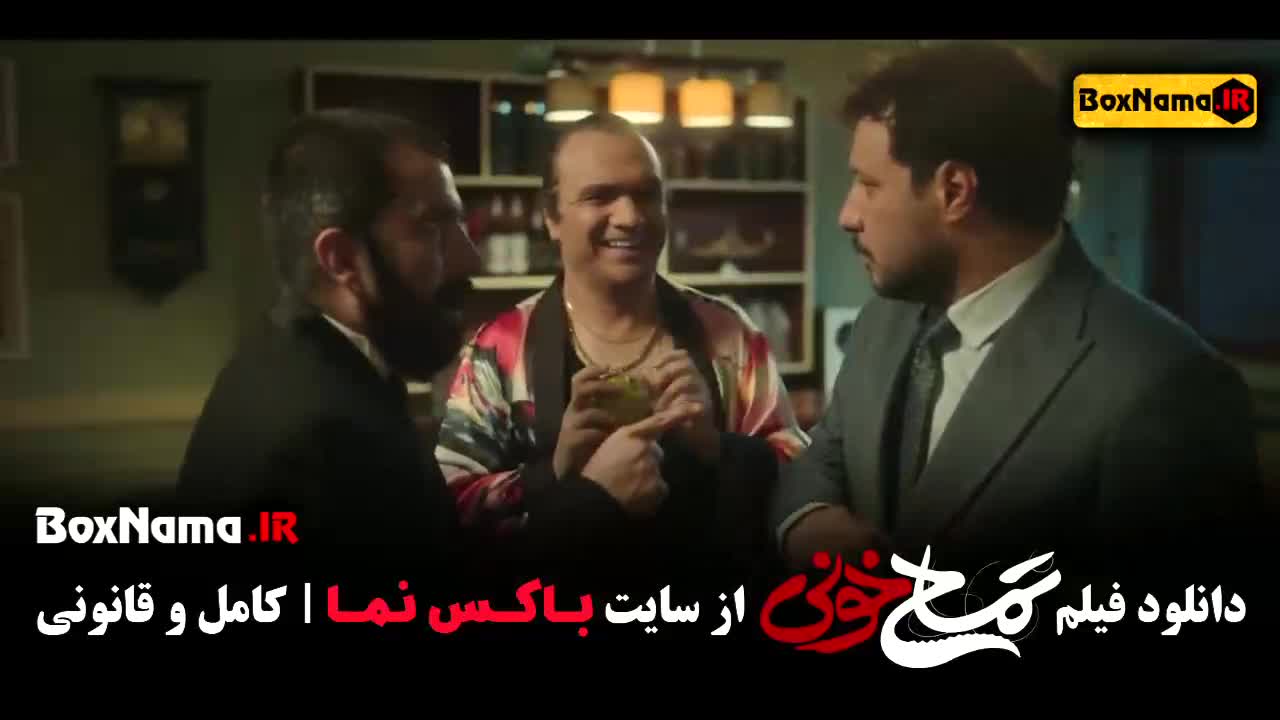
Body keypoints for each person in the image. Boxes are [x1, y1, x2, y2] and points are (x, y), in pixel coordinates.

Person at [770, 42, 1263, 578]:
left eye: (869, 185)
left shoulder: (1169, 385)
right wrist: (808, 518)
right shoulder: (883, 320)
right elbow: (825, 455)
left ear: (955, 191)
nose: (847, 215)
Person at [435, 112, 808, 585]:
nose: (631, 217)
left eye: (648, 194)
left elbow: (803, 479)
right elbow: (451, 508)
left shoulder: (729, 334)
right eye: (600, 196)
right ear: (551, 217)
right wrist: (555, 473)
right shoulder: (499, 348)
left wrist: (718, 448)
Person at [177, 108, 481, 569]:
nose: (470, 258)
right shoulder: (330, 436)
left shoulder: (278, 360)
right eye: (432, 228)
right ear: (341, 259)